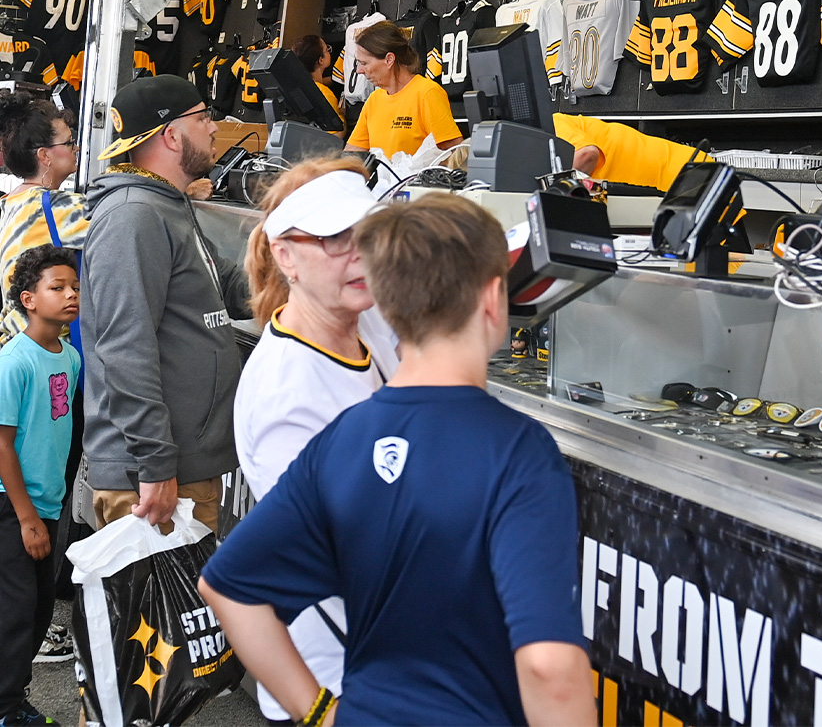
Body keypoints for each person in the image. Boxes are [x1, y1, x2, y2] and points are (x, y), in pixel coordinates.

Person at [200, 195, 594, 727]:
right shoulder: (518, 453)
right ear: (495, 299)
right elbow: (549, 667)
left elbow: (227, 588)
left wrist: (318, 712)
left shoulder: (341, 439)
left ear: (384, 301)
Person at [237, 158, 397, 722]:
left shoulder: (365, 321)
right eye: (335, 240)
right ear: (286, 255)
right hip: (336, 673)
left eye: (369, 235)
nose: (360, 254)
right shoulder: (288, 394)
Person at [81, 75, 248, 534]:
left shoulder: (166, 205)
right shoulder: (134, 216)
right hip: (153, 477)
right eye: (204, 117)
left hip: (178, 466)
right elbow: (124, 348)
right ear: (171, 134)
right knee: (152, 608)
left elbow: (227, 286)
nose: (215, 128)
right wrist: (155, 465)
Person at [0, 244, 80, 727]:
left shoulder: (68, 357)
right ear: (29, 299)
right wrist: (28, 518)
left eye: (74, 286)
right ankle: (6, 709)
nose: (71, 295)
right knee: (14, 614)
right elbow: (3, 444)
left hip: (47, 504)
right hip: (13, 507)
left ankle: (12, 697)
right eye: (58, 288)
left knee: (37, 612)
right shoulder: (16, 361)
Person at [0, 95, 86, 346]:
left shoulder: (12, 201)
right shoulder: (56, 207)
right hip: (44, 349)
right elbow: (125, 220)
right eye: (69, 143)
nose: (76, 148)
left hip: (16, 341)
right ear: (44, 156)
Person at [345, 21, 461, 159]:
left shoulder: (427, 93)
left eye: (364, 63)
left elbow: (456, 154)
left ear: (389, 60)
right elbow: (351, 156)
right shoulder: (373, 101)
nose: (359, 71)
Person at [553, 111, 709, 191]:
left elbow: (587, 155)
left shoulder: (552, 122)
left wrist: (552, 197)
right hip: (683, 180)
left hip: (687, 178)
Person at [292, 34, 343, 120]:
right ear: (321, 60)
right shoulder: (326, 96)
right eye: (327, 50)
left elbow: (317, 83)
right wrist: (342, 113)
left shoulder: (299, 87)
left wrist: (335, 78)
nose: (329, 51)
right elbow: (337, 132)